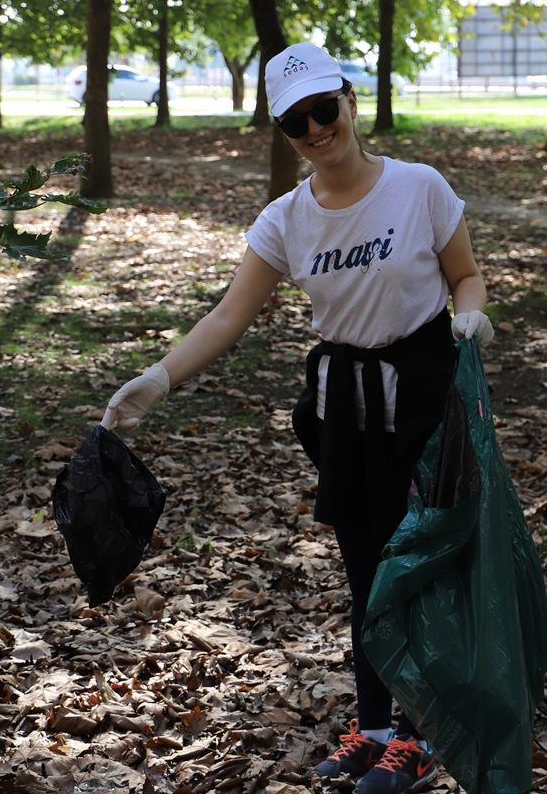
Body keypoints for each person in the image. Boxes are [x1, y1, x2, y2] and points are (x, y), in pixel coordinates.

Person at [100, 41, 493, 794]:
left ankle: (418, 733)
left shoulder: (420, 189)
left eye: (323, 109)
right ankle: (373, 725)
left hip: (423, 398)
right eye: (294, 122)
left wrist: (472, 319)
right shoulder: (284, 220)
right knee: (362, 569)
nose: (315, 129)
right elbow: (226, 317)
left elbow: (465, 276)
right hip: (344, 410)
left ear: (349, 101)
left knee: (418, 565)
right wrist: (160, 377)